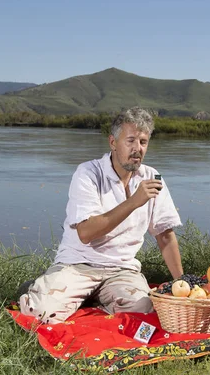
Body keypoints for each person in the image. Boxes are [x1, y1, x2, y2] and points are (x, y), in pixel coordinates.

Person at [20, 107, 183, 324]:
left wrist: (182, 283)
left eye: (143, 142)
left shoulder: (152, 176)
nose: (137, 149)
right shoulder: (88, 173)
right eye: (131, 140)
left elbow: (164, 235)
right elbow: (86, 233)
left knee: (147, 313)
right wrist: (134, 201)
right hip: (78, 264)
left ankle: (92, 298)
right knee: (41, 313)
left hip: (122, 269)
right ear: (113, 142)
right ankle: (41, 288)